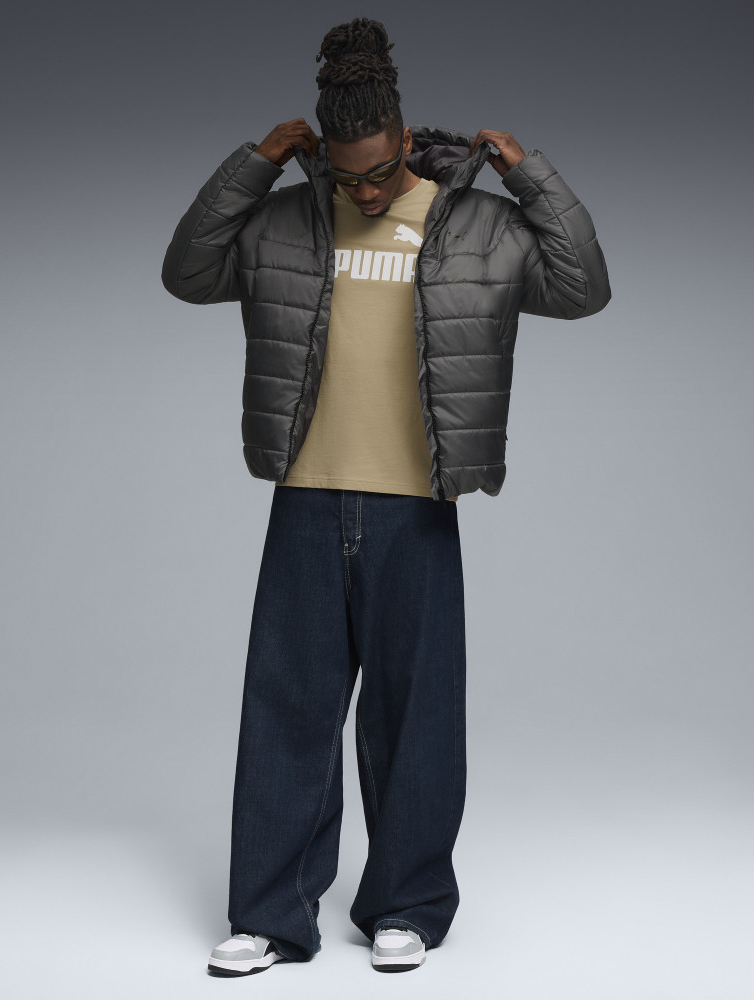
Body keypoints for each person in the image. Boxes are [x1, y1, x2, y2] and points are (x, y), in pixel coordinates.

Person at [160, 16, 610, 977]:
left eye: (376, 174)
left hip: (417, 505)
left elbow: (584, 288)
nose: (363, 193)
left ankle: (406, 904)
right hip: (306, 497)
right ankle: (270, 917)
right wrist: (253, 165)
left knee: (416, 717)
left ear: (405, 139)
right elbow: (186, 272)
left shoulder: (477, 227)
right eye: (344, 175)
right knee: (288, 712)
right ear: (322, 154)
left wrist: (531, 176)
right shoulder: (289, 219)